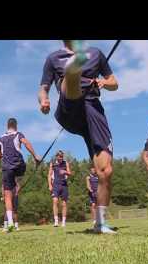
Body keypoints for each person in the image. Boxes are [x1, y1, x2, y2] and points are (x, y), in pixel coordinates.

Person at [39, 40, 119, 233]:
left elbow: (114, 83)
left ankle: (100, 224)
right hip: (70, 109)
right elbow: (43, 88)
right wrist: (44, 100)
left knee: (105, 171)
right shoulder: (53, 58)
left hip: (93, 110)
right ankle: (72, 71)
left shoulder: (96, 53)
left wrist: (104, 82)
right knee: (70, 81)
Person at [0, 118, 41, 233]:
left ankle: (10, 223)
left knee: (7, 195)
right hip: (19, 165)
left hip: (7, 168)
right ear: (16, 125)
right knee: (14, 184)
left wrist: (2, 154)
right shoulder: (18, 134)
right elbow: (26, 143)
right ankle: (16, 184)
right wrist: (35, 156)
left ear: (7, 126)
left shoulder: (0, 138)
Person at [48, 150, 71, 227]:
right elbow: (49, 175)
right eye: (59, 156)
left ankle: (64, 221)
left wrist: (65, 172)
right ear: (56, 156)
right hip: (55, 184)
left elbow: (70, 173)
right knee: (55, 201)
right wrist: (50, 185)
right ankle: (56, 221)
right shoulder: (53, 163)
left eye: (62, 156)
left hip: (64, 185)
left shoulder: (65, 163)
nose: (61, 158)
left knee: (64, 203)